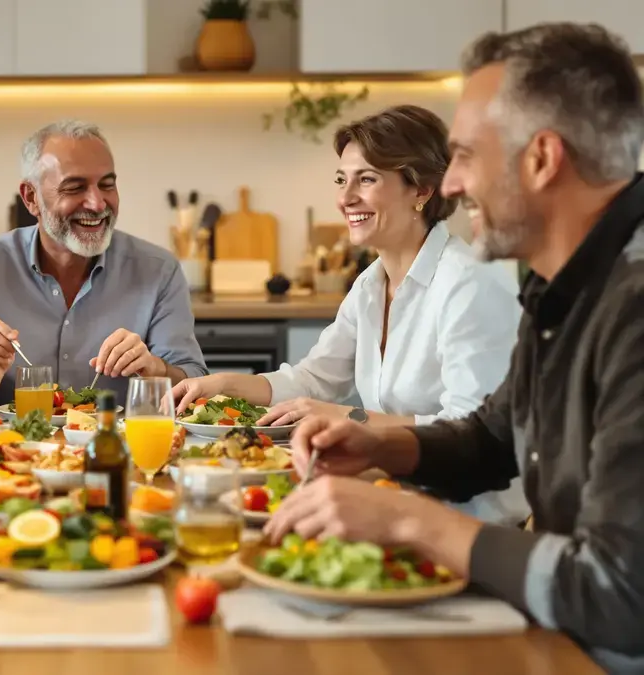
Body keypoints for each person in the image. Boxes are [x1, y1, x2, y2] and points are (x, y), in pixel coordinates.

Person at [266, 23, 644, 671]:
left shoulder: (634, 305)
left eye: (466, 154)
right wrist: (381, 444)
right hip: (558, 632)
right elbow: (494, 438)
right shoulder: (568, 288)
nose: (450, 184)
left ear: (542, 158)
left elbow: (619, 592)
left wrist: (406, 521)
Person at [172, 105, 527, 525]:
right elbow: (314, 380)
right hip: (399, 490)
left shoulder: (469, 285)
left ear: (422, 191)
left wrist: (348, 417)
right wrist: (221, 384)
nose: (345, 198)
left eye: (368, 179)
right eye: (342, 180)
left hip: (468, 514)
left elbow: (472, 434)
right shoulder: (370, 285)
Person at [0, 119, 207, 408]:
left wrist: (156, 369)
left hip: (120, 448)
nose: (97, 204)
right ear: (31, 198)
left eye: (107, 185)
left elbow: (196, 383)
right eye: (75, 188)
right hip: (9, 448)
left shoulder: (159, 270)